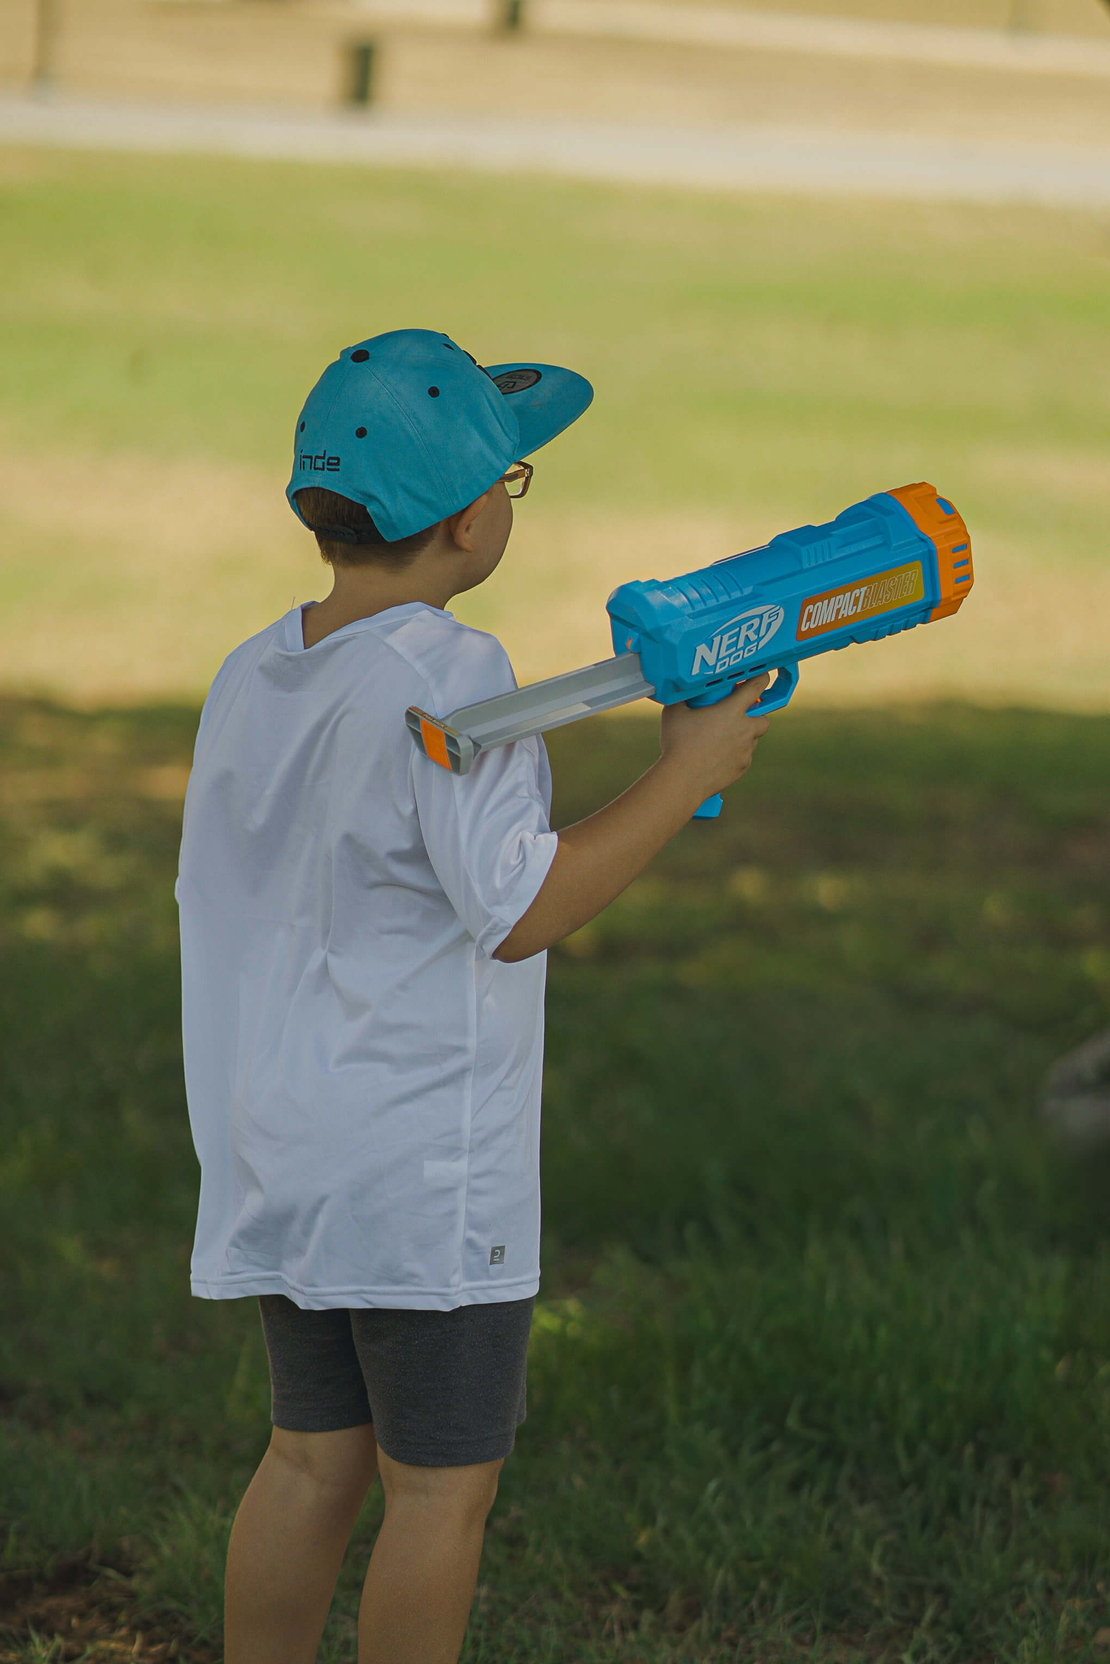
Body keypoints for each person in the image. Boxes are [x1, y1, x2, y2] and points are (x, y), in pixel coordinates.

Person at [176, 328, 770, 1664]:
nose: (512, 500)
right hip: (415, 1167)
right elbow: (522, 909)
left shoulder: (257, 670)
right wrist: (688, 768)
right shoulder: (453, 674)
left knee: (308, 1461)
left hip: (285, 1137)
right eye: (512, 482)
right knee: (440, 1490)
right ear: (462, 522)